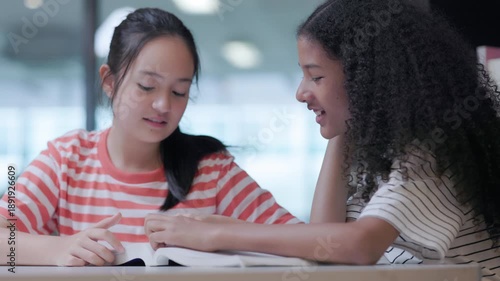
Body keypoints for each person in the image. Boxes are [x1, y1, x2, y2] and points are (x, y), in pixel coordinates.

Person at [142, 0, 500, 280]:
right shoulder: (371, 153)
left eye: (315, 77)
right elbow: (324, 240)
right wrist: (342, 128)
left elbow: (359, 244)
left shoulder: (427, 151)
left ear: (365, 80)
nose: (301, 93)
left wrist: (220, 235)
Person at [0, 8, 300, 266]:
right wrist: (57, 249)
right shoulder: (65, 159)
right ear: (109, 81)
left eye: (179, 92)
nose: (163, 105)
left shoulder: (211, 170)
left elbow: (300, 238)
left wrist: (220, 234)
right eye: (146, 86)